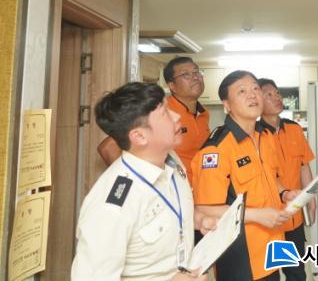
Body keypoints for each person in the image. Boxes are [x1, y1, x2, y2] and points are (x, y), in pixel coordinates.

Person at [72, 82, 214, 280]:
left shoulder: (170, 160)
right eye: (165, 113)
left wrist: (197, 220)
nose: (177, 116)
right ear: (139, 136)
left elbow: (168, 210)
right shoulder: (111, 205)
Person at [191, 71, 299, 281]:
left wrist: (284, 193)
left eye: (256, 89)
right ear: (227, 105)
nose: (252, 95)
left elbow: (271, 177)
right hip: (240, 255)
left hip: (272, 245)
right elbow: (205, 209)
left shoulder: (265, 136)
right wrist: (257, 215)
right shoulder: (216, 149)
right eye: (242, 91)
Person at [97, 57, 210, 183]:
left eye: (196, 71)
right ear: (172, 86)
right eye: (185, 74)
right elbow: (108, 147)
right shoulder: (158, 111)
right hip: (166, 189)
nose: (195, 77)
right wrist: (137, 184)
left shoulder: (203, 113)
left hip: (193, 189)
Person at [258, 78, 316, 281]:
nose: (276, 98)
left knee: (296, 272)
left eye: (277, 93)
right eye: (269, 95)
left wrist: (311, 199)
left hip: (294, 217)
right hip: (269, 219)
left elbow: (303, 165)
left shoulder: (294, 129)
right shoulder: (255, 134)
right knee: (270, 274)